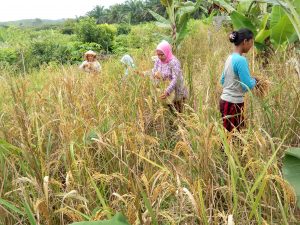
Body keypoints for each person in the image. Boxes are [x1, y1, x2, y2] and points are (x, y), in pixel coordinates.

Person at [220, 28, 258, 132]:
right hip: (234, 104)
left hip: (224, 101)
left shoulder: (229, 58)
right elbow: (247, 86)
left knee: (226, 135)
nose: (251, 46)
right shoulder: (241, 60)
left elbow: (222, 80)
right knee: (235, 138)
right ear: (245, 41)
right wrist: (255, 81)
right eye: (251, 42)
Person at [151, 40, 188, 113]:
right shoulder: (158, 60)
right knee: (169, 108)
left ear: (167, 52)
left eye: (162, 54)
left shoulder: (173, 62)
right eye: (158, 54)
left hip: (176, 89)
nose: (160, 57)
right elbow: (154, 70)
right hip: (165, 87)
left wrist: (167, 91)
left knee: (178, 109)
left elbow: (175, 79)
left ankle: (180, 122)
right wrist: (155, 74)